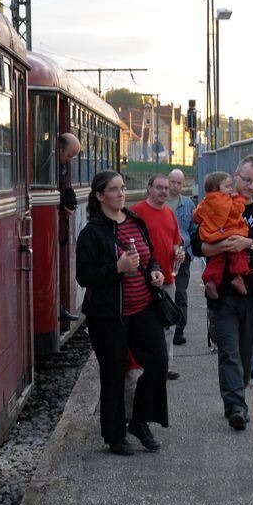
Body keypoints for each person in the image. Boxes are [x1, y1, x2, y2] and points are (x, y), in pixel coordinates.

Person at [76, 170, 169, 456]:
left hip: (143, 308)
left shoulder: (135, 222)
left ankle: (139, 421)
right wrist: (116, 269)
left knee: (158, 362)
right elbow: (84, 275)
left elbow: (149, 254)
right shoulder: (92, 232)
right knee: (114, 373)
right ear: (100, 196)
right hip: (109, 315)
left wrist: (155, 271)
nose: (121, 193)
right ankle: (114, 436)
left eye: (123, 188)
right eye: (114, 190)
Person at [191, 155, 253, 430]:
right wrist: (225, 247)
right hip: (221, 294)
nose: (251, 186)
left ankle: (237, 396)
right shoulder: (215, 205)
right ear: (236, 176)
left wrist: (249, 243)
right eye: (246, 180)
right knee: (229, 352)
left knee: (247, 355)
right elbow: (198, 246)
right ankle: (236, 406)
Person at [132, 174, 184, 380]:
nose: (163, 191)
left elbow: (175, 242)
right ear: (149, 189)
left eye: (166, 187)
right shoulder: (137, 212)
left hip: (168, 278)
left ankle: (165, 365)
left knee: (168, 323)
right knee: (145, 324)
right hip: (143, 279)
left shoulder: (169, 214)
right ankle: (145, 365)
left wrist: (179, 252)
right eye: (159, 187)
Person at [193, 171, 252, 299]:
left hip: (211, 235)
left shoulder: (206, 201)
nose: (231, 188)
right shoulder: (226, 201)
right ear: (217, 188)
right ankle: (238, 277)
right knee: (238, 254)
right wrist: (239, 199)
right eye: (227, 186)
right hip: (229, 233)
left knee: (217, 259)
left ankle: (211, 281)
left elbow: (196, 216)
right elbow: (237, 210)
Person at [167, 169, 197, 345]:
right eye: (173, 182)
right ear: (168, 181)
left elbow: (194, 231)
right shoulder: (160, 203)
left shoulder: (187, 205)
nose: (176, 186)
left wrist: (190, 252)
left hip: (182, 256)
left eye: (179, 183)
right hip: (163, 255)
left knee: (180, 293)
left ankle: (179, 328)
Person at [58, 133, 82, 323]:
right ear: (59, 149)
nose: (69, 161)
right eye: (69, 156)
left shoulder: (60, 167)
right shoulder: (48, 164)